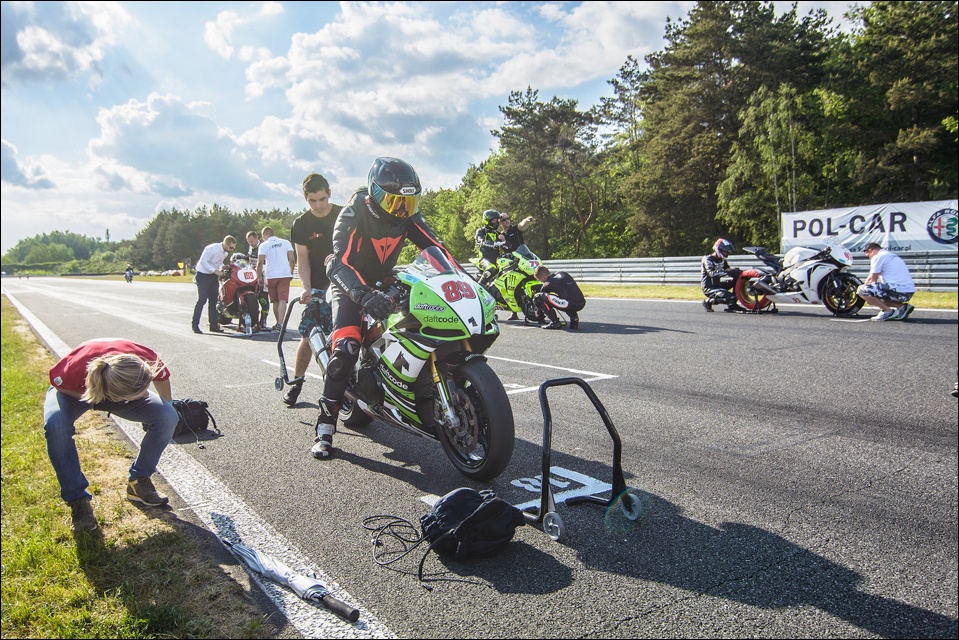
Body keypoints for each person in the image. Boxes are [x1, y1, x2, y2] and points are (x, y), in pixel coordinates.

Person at [311, 157, 458, 459]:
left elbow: (438, 249)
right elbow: (338, 263)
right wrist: (363, 295)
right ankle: (325, 426)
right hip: (350, 284)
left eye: (408, 202)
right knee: (347, 349)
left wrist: (464, 280)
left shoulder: (408, 216)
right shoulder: (354, 212)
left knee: (423, 322)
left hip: (385, 280)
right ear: (374, 194)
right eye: (394, 201)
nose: (401, 210)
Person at [44, 338, 178, 531]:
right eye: (139, 393)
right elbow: (59, 386)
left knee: (167, 416)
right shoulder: (72, 371)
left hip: (114, 389)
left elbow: (162, 379)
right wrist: (94, 400)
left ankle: (138, 482)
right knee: (56, 426)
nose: (144, 395)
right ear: (115, 395)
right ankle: (77, 500)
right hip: (73, 391)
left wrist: (168, 406)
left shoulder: (145, 360)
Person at [281, 173, 342, 406]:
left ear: (330, 193)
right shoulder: (301, 224)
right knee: (307, 337)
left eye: (322, 199)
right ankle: (297, 383)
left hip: (345, 285)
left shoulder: (344, 215)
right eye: (313, 201)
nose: (318, 205)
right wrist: (306, 288)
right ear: (305, 198)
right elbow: (302, 259)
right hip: (317, 286)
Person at [856, 242, 917, 321]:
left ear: (871, 250)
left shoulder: (878, 257)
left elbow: (872, 279)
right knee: (874, 295)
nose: (870, 258)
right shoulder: (891, 255)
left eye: (868, 256)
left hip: (899, 291)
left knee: (862, 290)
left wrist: (865, 296)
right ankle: (902, 307)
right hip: (908, 291)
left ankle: (887, 311)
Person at [192, 235, 236, 333]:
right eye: (231, 247)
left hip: (213, 276)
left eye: (233, 248)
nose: (231, 250)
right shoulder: (212, 248)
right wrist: (215, 271)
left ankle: (213, 325)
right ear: (225, 244)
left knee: (213, 301)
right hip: (203, 275)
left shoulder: (225, 253)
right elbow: (203, 262)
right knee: (202, 300)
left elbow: (217, 263)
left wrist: (222, 267)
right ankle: (195, 325)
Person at [256, 226, 296, 330]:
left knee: (275, 300)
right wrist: (291, 271)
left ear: (265, 235)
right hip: (284, 274)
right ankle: (281, 323)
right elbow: (292, 259)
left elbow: (260, 262)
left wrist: (258, 277)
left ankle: (278, 322)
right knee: (283, 299)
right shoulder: (285, 242)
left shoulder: (264, 245)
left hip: (271, 275)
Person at [498, 212, 535, 320]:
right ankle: (514, 312)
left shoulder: (515, 229)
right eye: (504, 219)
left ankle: (538, 306)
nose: (507, 221)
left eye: (508, 218)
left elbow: (521, 225)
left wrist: (527, 220)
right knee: (511, 286)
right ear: (500, 222)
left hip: (522, 260)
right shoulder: (500, 235)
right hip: (511, 263)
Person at [701, 238, 746, 313]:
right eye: (725, 251)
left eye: (727, 252)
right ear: (718, 249)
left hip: (718, 285)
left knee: (737, 279)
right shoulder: (707, 259)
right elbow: (712, 273)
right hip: (709, 288)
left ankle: (732, 304)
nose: (726, 253)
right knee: (731, 297)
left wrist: (736, 272)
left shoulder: (722, 260)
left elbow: (728, 270)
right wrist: (727, 272)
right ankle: (707, 301)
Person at [474, 209, 507, 288]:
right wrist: (492, 244)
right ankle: (480, 287)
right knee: (492, 269)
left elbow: (506, 245)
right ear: (487, 221)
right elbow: (480, 240)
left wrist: (505, 242)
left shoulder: (498, 233)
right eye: (494, 220)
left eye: (497, 220)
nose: (496, 222)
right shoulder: (481, 231)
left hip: (498, 260)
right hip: (484, 259)